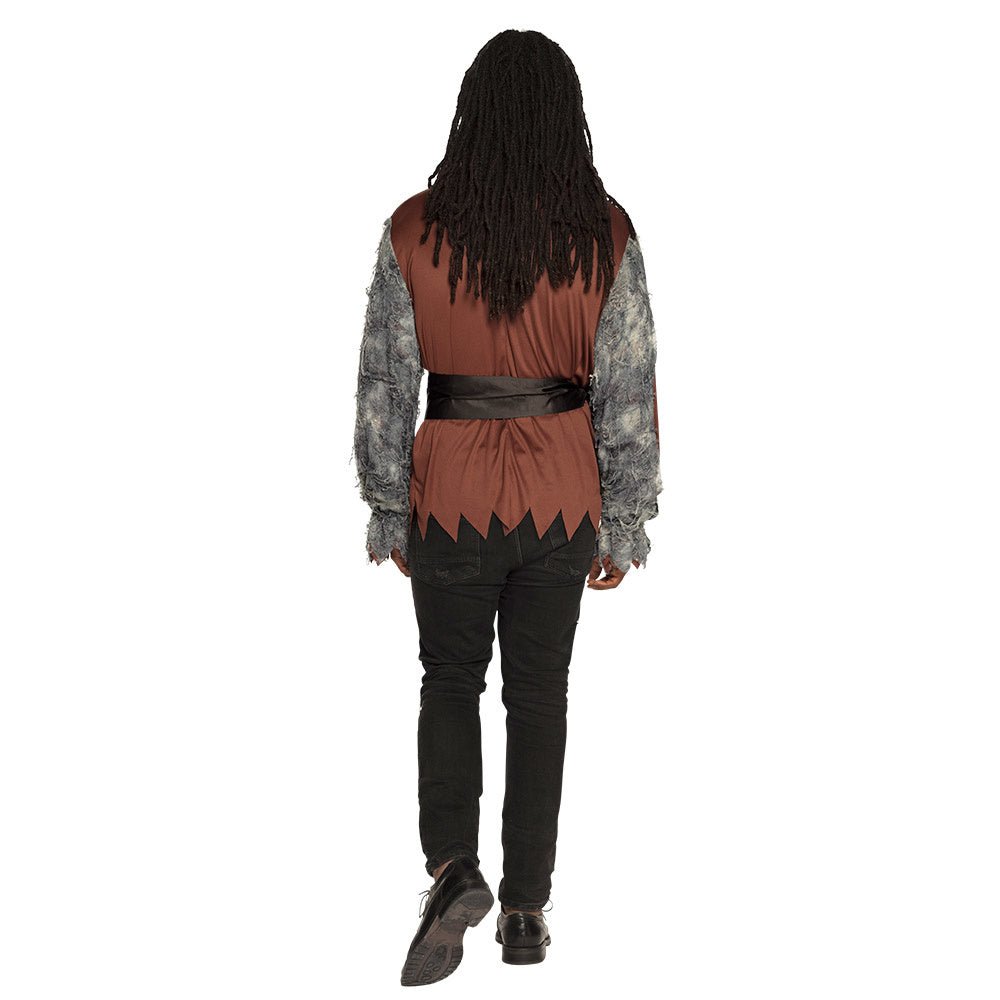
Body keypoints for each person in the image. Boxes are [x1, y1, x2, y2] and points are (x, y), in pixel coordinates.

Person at [351, 28, 662, 986]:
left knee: (448, 679)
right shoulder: (604, 234)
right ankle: (526, 909)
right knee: (539, 697)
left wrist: (389, 505)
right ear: (565, 116)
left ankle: (453, 866)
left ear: (472, 112)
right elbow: (628, 387)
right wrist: (624, 519)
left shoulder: (415, 229)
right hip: (562, 495)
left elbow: (385, 382)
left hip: (451, 494)